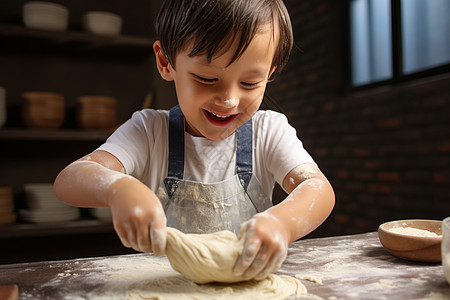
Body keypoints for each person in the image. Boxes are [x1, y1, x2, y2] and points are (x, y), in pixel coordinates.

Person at [54, 0, 335, 281]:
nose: (229, 100)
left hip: (245, 287)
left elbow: (317, 189)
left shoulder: (269, 132)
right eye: (206, 78)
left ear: (270, 72)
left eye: (249, 83)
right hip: (166, 286)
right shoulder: (149, 131)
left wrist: (281, 224)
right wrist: (116, 188)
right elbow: (71, 178)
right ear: (166, 62)